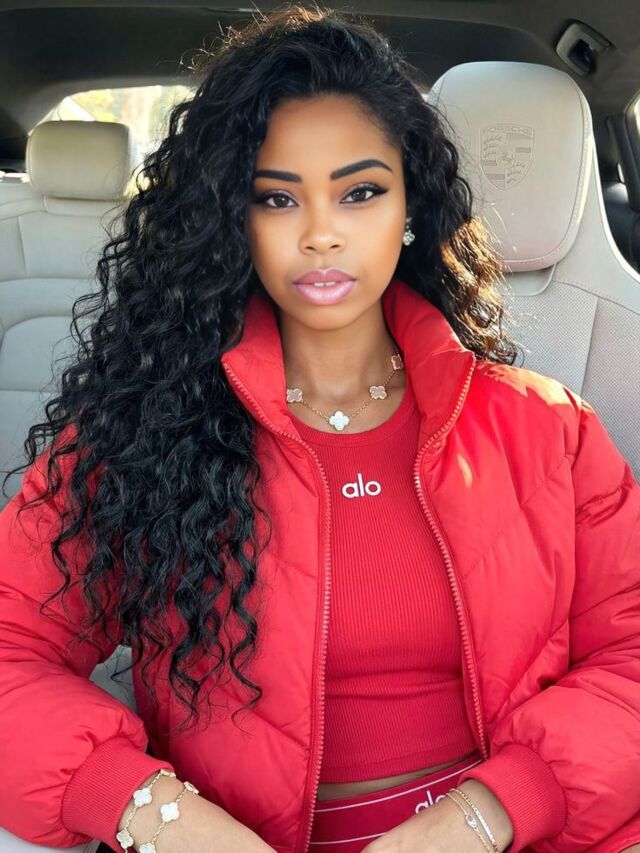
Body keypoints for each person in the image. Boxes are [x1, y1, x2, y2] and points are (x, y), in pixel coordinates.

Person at [0, 3, 639, 852]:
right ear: (233, 220)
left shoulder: (549, 430)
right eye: (276, 198)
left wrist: (486, 814)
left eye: (361, 191)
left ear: (411, 205)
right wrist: (157, 814)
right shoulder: (141, 435)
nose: (322, 233)